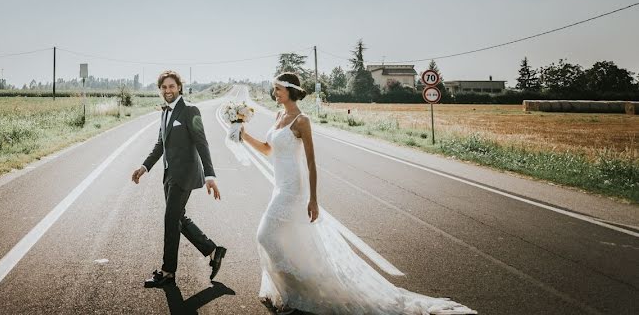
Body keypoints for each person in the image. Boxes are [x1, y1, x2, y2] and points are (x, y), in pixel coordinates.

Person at [240, 72, 476, 315]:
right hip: (279, 186)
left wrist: (314, 199)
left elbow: (311, 163)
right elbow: (268, 150)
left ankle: (293, 293)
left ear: (290, 90)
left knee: (265, 235)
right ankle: (294, 292)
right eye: (274, 89)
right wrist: (243, 135)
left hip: (293, 189)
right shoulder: (279, 116)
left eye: (278, 89)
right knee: (288, 240)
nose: (275, 93)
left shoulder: (302, 121)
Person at [131, 70, 227, 287]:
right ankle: (213, 251)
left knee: (170, 220)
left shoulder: (190, 110)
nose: (168, 90)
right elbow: (160, 145)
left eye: (171, 86)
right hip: (168, 175)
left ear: (179, 87)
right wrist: (144, 167)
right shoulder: (164, 113)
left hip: (184, 175)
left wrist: (210, 175)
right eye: (164, 87)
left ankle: (167, 272)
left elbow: (202, 143)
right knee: (178, 219)